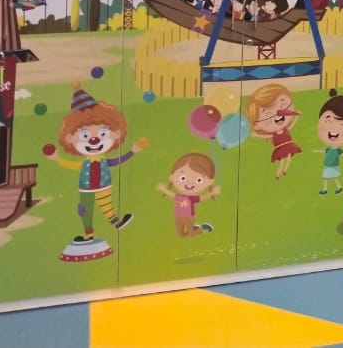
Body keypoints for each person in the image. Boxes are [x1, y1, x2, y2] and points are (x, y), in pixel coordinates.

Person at [44, 87, 146, 242]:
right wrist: (57, 158)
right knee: (85, 211)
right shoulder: (86, 162)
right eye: (85, 135)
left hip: (103, 186)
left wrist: (132, 151)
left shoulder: (103, 160)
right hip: (86, 188)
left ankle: (117, 223)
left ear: (116, 133)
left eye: (102, 133)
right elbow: (73, 165)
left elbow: (117, 161)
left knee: (107, 206)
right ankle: (88, 235)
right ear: (70, 139)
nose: (94, 140)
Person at [156, 153, 220, 237]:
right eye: (183, 178)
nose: (189, 183)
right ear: (172, 177)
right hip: (178, 215)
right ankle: (195, 228)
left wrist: (212, 193)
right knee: (181, 235)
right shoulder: (180, 197)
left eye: (199, 180)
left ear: (209, 182)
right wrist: (164, 189)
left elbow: (201, 198)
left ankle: (202, 228)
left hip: (188, 215)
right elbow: (172, 195)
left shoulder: (191, 198)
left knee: (192, 234)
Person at [246, 84, 301, 179]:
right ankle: (278, 173)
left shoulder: (285, 130)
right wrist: (256, 135)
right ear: (257, 125)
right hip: (280, 148)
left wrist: (297, 116)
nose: (277, 114)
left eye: (283, 105)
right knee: (282, 160)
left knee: (288, 157)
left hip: (288, 145)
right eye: (267, 114)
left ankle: (285, 170)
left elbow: (292, 125)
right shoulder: (273, 134)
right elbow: (265, 136)